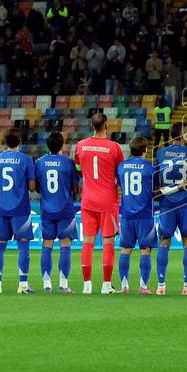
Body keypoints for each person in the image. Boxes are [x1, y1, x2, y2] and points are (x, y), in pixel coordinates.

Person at [74, 113, 125, 294]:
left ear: (92, 126)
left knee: (87, 241)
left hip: (88, 199)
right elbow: (121, 172)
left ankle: (87, 284)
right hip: (107, 200)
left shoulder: (81, 145)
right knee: (108, 242)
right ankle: (105, 285)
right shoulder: (114, 147)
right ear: (106, 126)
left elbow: (79, 167)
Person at [155, 122, 187, 295]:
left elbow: (157, 178)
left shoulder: (160, 152)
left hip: (166, 203)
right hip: (186, 203)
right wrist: (182, 186)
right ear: (182, 135)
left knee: (164, 242)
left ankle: (161, 286)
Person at [0, 128, 37, 294]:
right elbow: (32, 188)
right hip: (21, 209)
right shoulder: (25, 159)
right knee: (23, 246)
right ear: (19, 141)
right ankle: (23, 285)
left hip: (2, 208)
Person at [35, 131, 80, 293]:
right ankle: (63, 284)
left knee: (46, 245)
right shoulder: (68, 163)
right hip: (65, 210)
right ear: (62, 145)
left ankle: (47, 284)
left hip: (47, 210)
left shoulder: (39, 162)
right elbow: (76, 188)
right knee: (65, 245)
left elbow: (37, 187)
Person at [117, 137, 159, 294]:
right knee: (145, 250)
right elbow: (156, 189)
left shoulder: (121, 166)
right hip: (145, 214)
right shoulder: (150, 167)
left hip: (127, 213)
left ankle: (124, 286)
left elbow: (121, 184)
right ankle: (143, 286)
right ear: (145, 150)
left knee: (125, 250)